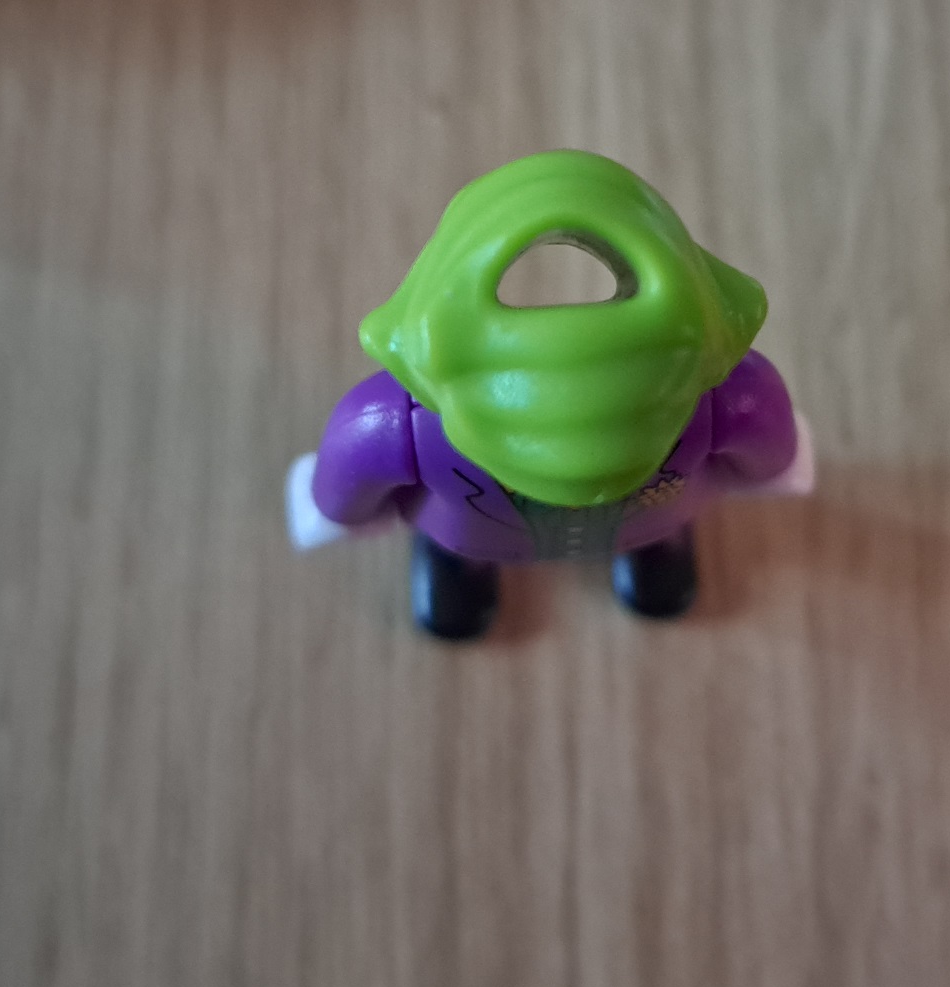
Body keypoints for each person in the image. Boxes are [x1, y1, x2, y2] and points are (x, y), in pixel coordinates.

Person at [292, 150, 808, 639]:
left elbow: (766, 442)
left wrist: (345, 515)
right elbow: (350, 470)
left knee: (654, 533)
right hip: (477, 533)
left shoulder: (720, 400)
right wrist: (340, 511)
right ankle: (461, 568)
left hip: (648, 518)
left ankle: (654, 550)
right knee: (465, 553)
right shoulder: (398, 424)